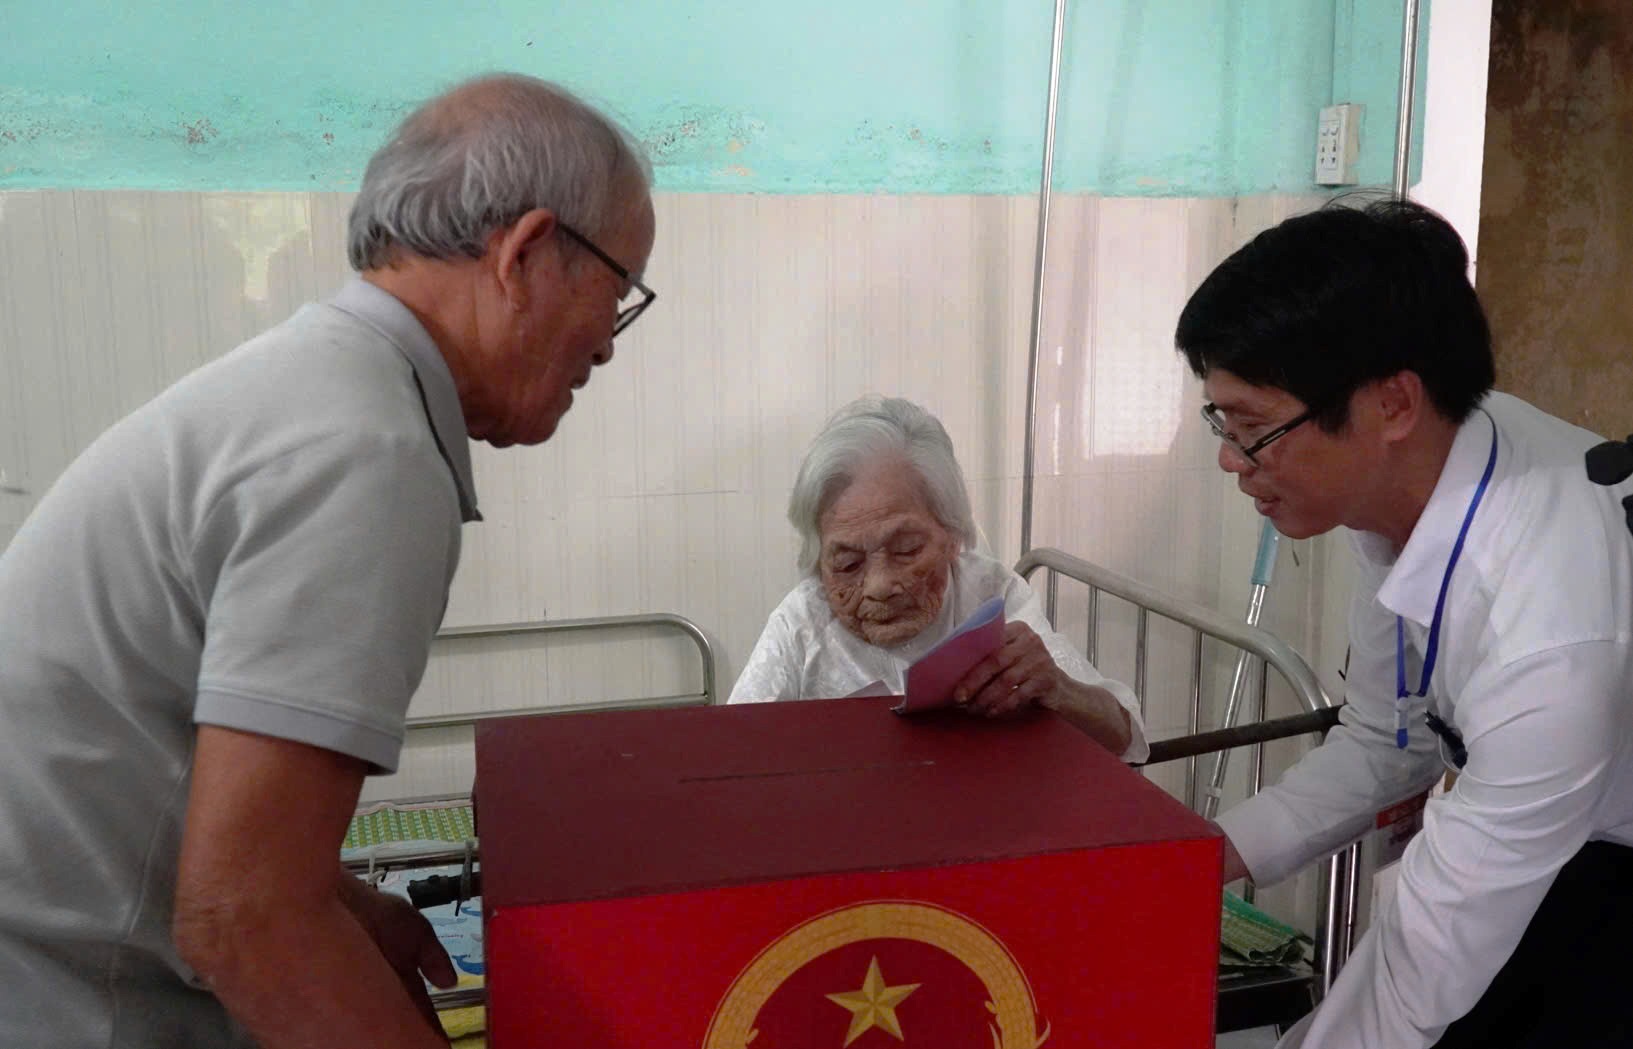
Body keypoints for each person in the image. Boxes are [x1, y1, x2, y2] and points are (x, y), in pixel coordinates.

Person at [0, 74, 656, 1048]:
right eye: (619, 289)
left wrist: (346, 902)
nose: (607, 343)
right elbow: (243, 919)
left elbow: (188, 790)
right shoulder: (367, 452)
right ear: (524, 253)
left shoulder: (317, 390)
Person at [1176, 197, 1633, 1048]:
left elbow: (1425, 951)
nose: (1230, 459)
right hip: (1566, 833)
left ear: (1391, 403)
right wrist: (1192, 863)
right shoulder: (1416, 478)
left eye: (1254, 428)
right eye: (1222, 421)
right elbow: (1389, 736)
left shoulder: (1550, 637)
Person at [729, 396, 1148, 761]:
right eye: (848, 564)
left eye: (907, 550)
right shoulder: (803, 622)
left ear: (953, 536)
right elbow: (731, 753)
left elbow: (1124, 738)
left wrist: (1059, 688)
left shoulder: (992, 596)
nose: (879, 586)